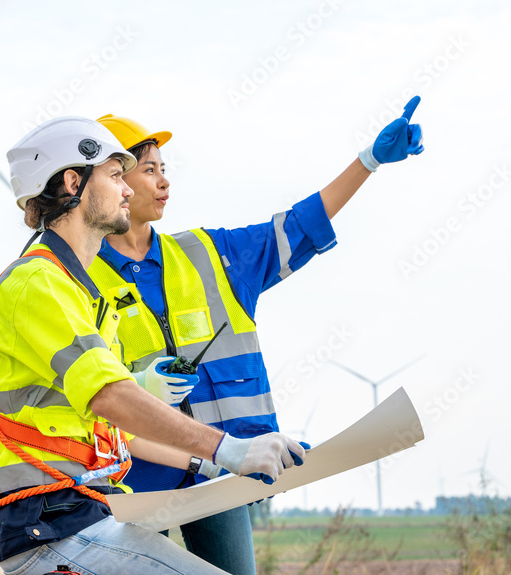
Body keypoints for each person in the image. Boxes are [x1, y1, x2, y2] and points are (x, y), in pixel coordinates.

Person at [86, 98, 425, 574]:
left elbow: (296, 228)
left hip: (223, 474)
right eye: (148, 170)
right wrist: (139, 385)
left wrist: (367, 162)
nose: (163, 181)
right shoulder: (78, 281)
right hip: (135, 485)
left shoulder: (211, 254)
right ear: (113, 179)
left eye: (164, 169)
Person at [0, 115, 307, 575]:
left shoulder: (81, 292)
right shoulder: (38, 282)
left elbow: (117, 430)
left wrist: (210, 464)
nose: (128, 189)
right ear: (73, 182)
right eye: (115, 175)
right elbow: (111, 395)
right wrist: (228, 448)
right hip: (51, 527)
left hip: (87, 514)